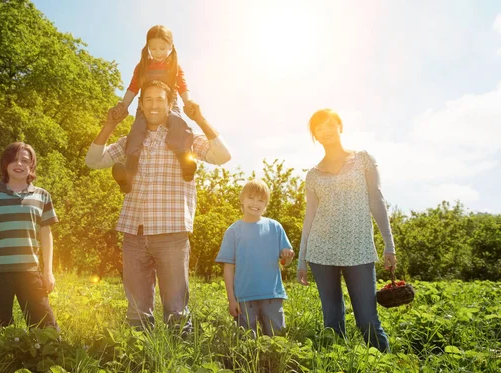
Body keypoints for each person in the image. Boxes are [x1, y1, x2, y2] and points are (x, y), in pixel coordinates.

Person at [85, 80, 231, 333]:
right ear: (141, 105)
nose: (154, 105)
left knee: (176, 310)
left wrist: (201, 119)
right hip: (134, 232)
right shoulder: (131, 140)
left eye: (159, 99)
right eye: (148, 99)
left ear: (170, 104)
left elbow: (222, 156)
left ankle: (177, 363)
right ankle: (140, 359)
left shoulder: (185, 139)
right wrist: (109, 125)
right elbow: (93, 161)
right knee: (137, 312)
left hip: (171, 231)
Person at [297, 109, 396, 352]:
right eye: (320, 128)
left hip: (359, 250)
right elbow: (309, 218)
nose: (326, 130)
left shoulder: (363, 159)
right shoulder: (312, 174)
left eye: (330, 124)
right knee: (332, 321)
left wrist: (389, 244)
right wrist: (301, 260)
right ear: (315, 136)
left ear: (340, 126)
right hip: (321, 253)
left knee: (367, 320)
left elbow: (376, 199)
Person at [0, 142, 59, 330]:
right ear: (5, 164)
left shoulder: (42, 196)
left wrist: (48, 271)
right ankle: (5, 359)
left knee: (45, 326)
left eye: (24, 160)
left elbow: (46, 235)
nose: (19, 164)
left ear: (32, 165)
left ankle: (46, 358)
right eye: (13, 160)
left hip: (30, 270)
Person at [109, 25, 197, 193]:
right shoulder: (142, 66)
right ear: (147, 47)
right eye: (153, 48)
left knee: (178, 124)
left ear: (171, 47)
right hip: (146, 107)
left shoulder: (174, 66)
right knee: (136, 132)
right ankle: (128, 174)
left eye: (162, 48)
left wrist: (189, 103)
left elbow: (183, 87)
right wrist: (122, 106)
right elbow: (133, 88)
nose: (158, 52)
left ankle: (185, 161)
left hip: (170, 105)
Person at [216, 179, 295, 337]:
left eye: (261, 200)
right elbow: (229, 268)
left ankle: (274, 363)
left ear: (266, 205)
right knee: (246, 341)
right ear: (242, 199)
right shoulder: (233, 231)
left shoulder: (275, 227)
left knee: (276, 338)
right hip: (244, 297)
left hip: (272, 295)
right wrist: (231, 299)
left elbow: (285, 263)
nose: (255, 203)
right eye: (251, 198)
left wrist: (288, 257)